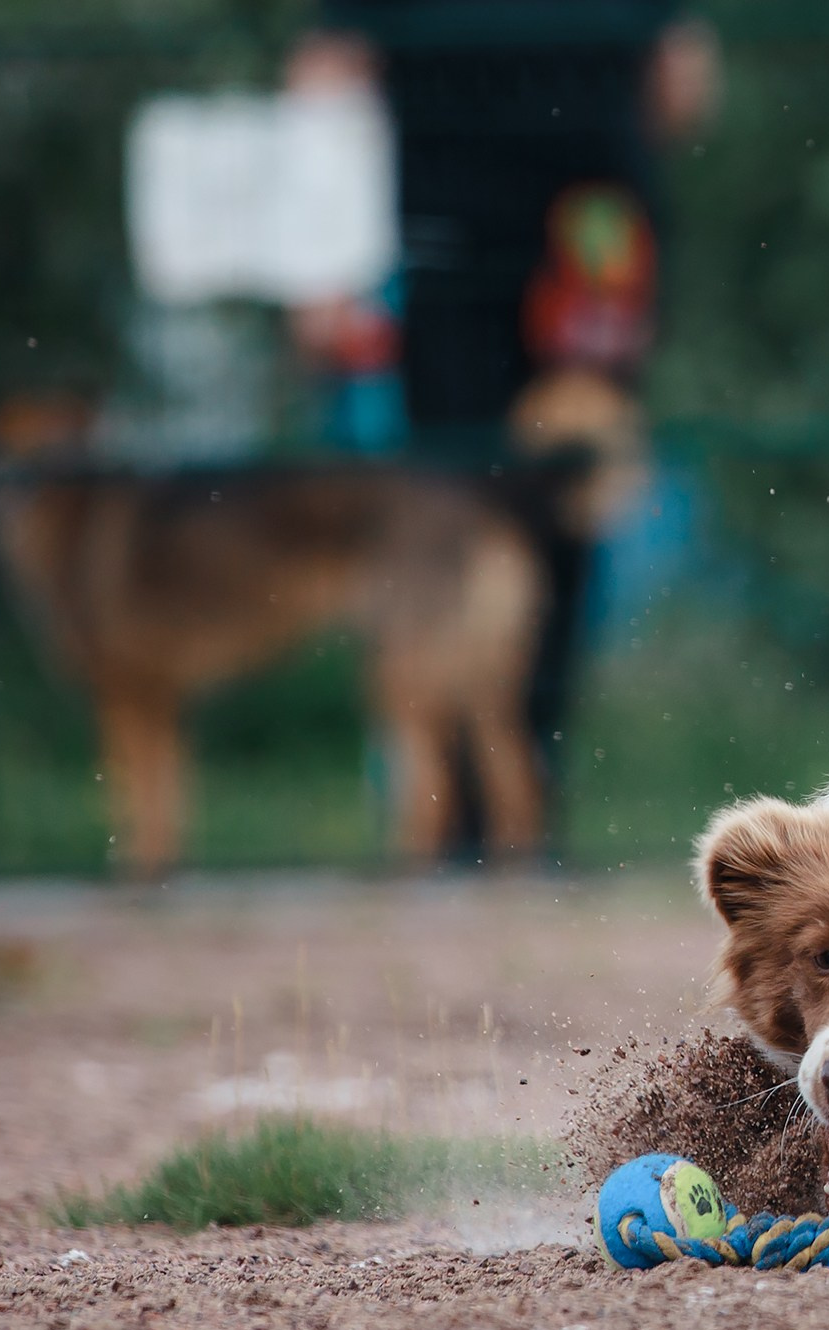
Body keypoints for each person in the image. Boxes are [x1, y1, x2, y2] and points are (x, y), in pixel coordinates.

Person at [305, 2, 719, 843]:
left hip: (451, 236)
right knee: (560, 514)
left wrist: (322, 261)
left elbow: (325, 79)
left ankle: (472, 800)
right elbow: (682, 85)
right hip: (592, 237)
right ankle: (521, 778)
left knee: (458, 515)